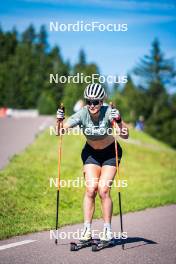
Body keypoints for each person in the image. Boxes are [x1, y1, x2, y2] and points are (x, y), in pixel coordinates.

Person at [56, 83, 129, 242]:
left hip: (110, 153)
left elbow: (125, 135)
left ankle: (107, 230)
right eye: (89, 101)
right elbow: (59, 131)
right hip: (91, 154)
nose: (92, 105)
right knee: (90, 190)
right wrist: (59, 120)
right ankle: (87, 230)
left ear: (101, 102)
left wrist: (119, 120)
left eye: (95, 102)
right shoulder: (82, 114)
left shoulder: (109, 112)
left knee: (103, 190)